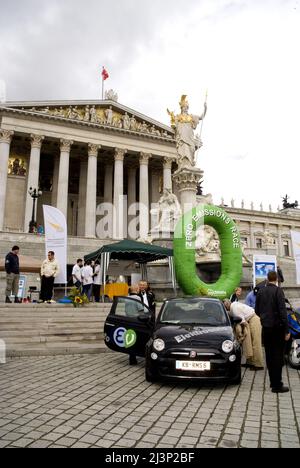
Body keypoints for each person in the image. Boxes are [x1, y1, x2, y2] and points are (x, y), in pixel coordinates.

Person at [255, 271, 290, 393]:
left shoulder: (260, 291)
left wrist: (265, 319)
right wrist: (286, 330)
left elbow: (257, 310)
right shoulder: (278, 291)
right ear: (276, 279)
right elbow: (283, 312)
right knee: (278, 357)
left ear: (267, 278)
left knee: (269, 357)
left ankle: (272, 382)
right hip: (277, 328)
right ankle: (277, 385)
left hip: (266, 328)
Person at [224, 299, 264, 370]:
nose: (225, 309)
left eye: (225, 307)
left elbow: (243, 322)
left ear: (227, 305)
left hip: (254, 319)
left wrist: (242, 334)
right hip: (249, 320)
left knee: (256, 342)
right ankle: (250, 363)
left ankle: (258, 365)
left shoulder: (234, 309)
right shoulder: (232, 308)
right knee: (249, 342)